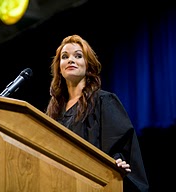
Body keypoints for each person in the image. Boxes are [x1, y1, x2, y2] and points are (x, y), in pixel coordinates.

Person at [45, 34, 149, 192]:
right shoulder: (53, 113)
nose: (70, 60)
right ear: (59, 67)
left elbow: (119, 146)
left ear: (88, 65)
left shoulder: (104, 101)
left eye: (78, 56)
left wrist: (117, 162)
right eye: (65, 57)